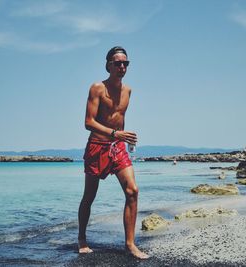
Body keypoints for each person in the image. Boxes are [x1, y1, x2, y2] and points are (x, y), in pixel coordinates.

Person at [77, 46, 149, 259]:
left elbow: (119, 118)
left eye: (125, 63)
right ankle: (81, 238)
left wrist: (124, 139)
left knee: (132, 191)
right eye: (117, 63)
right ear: (108, 65)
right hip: (97, 147)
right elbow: (88, 122)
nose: (122, 67)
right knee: (89, 196)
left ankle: (130, 244)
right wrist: (116, 133)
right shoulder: (97, 88)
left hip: (117, 148)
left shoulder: (128, 91)